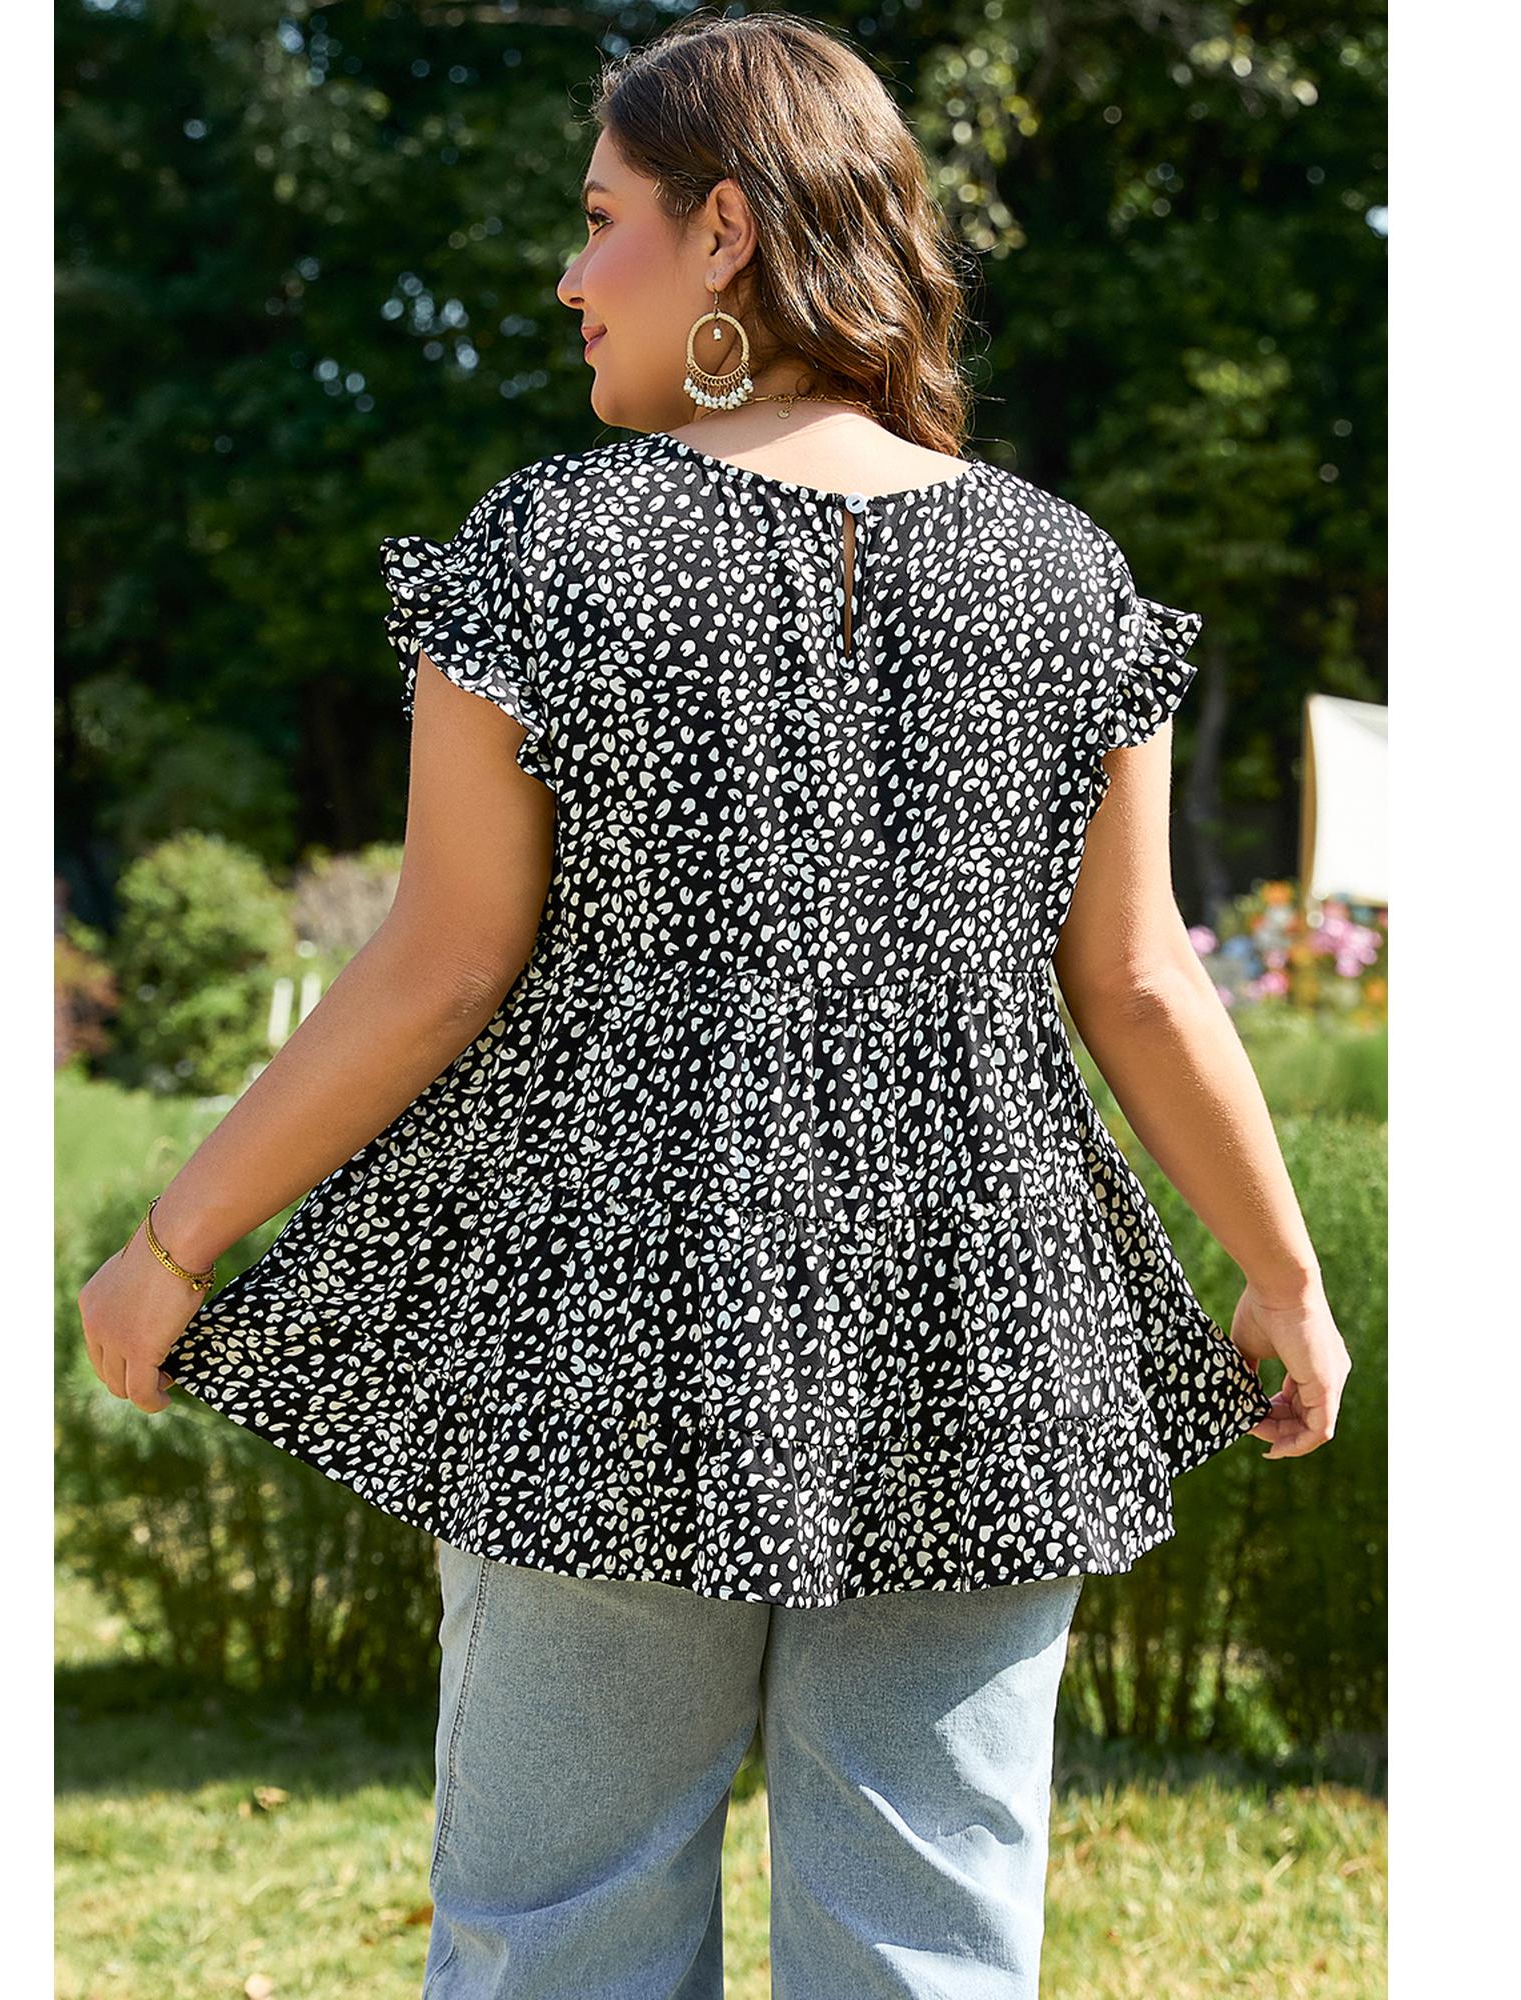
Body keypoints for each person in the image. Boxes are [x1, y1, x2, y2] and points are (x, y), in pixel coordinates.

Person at [76, 13, 1352, 1998]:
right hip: (979, 1325)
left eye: (602, 221)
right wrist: (1281, 1275)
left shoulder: (547, 550)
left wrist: (174, 1244)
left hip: (608, 1316)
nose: (566, 276)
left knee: (560, 1929)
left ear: (727, 232)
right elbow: (1137, 977)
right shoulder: (1061, 574)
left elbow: (437, 967)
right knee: (927, 1944)